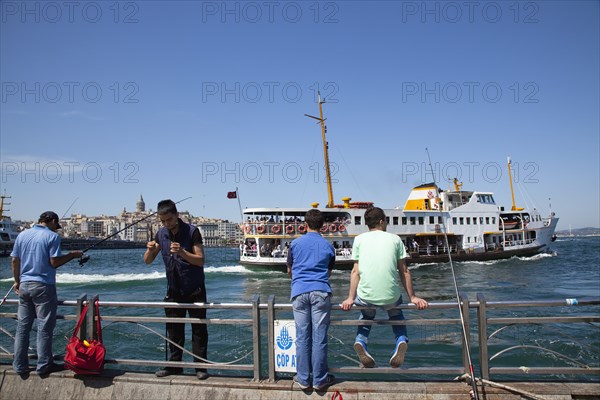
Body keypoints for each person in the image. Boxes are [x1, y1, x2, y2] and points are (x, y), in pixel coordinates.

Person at [341, 207, 428, 368]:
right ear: (382, 221)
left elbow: (355, 272)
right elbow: (404, 271)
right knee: (396, 315)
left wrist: (350, 298)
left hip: (366, 297)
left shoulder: (359, 239)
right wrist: (413, 297)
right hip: (391, 297)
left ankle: (361, 341)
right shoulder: (395, 239)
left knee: (366, 316)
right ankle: (401, 339)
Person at [11, 211, 83, 376]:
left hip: (24, 285)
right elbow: (54, 262)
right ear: (52, 221)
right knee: (44, 327)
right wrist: (72, 255)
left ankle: (19, 366)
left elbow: (15, 260)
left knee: (22, 327)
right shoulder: (52, 237)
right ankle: (44, 365)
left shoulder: (22, 235)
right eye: (56, 226)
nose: (56, 229)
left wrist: (17, 281)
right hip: (43, 285)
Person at [143, 199, 209, 380]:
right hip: (173, 290)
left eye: (169, 220)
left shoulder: (192, 231)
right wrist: (149, 250)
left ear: (177, 215)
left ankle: (200, 367)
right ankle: (174, 366)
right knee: (173, 330)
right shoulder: (161, 234)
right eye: (163, 221)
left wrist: (182, 253)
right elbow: (148, 261)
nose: (166, 224)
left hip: (195, 288)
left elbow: (200, 260)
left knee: (198, 330)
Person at [286, 209, 336, 391]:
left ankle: (303, 378)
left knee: (302, 337)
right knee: (319, 337)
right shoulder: (329, 246)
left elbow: (290, 270)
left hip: (299, 292)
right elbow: (329, 272)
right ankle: (320, 379)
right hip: (321, 292)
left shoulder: (295, 244)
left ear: (305, 224)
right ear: (323, 226)